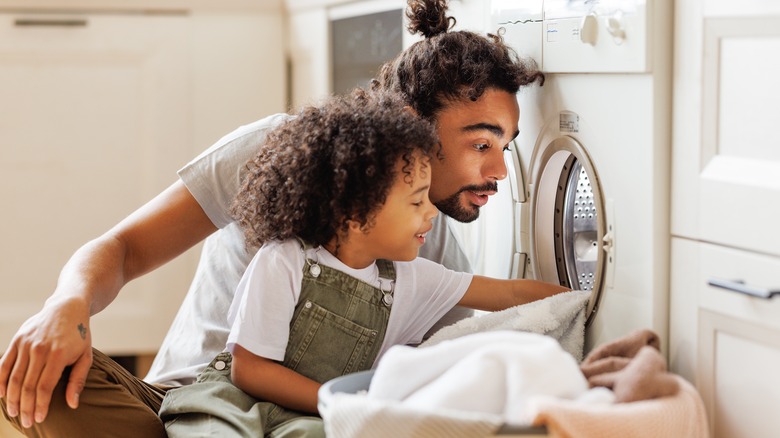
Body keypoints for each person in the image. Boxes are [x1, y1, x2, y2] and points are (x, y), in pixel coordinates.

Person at [0, 0, 545, 436]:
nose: (499, 170)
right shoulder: (281, 150)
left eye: (508, 146)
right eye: (480, 143)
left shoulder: (430, 241)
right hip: (187, 404)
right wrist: (65, 305)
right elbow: (125, 248)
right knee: (36, 379)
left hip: (301, 422)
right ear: (413, 124)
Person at [159, 88, 567, 437]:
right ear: (355, 212)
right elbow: (249, 370)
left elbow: (510, 292)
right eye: (416, 200)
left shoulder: (410, 278)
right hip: (235, 400)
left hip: (308, 416)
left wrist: (582, 300)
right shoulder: (283, 261)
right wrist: (337, 401)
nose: (431, 213)